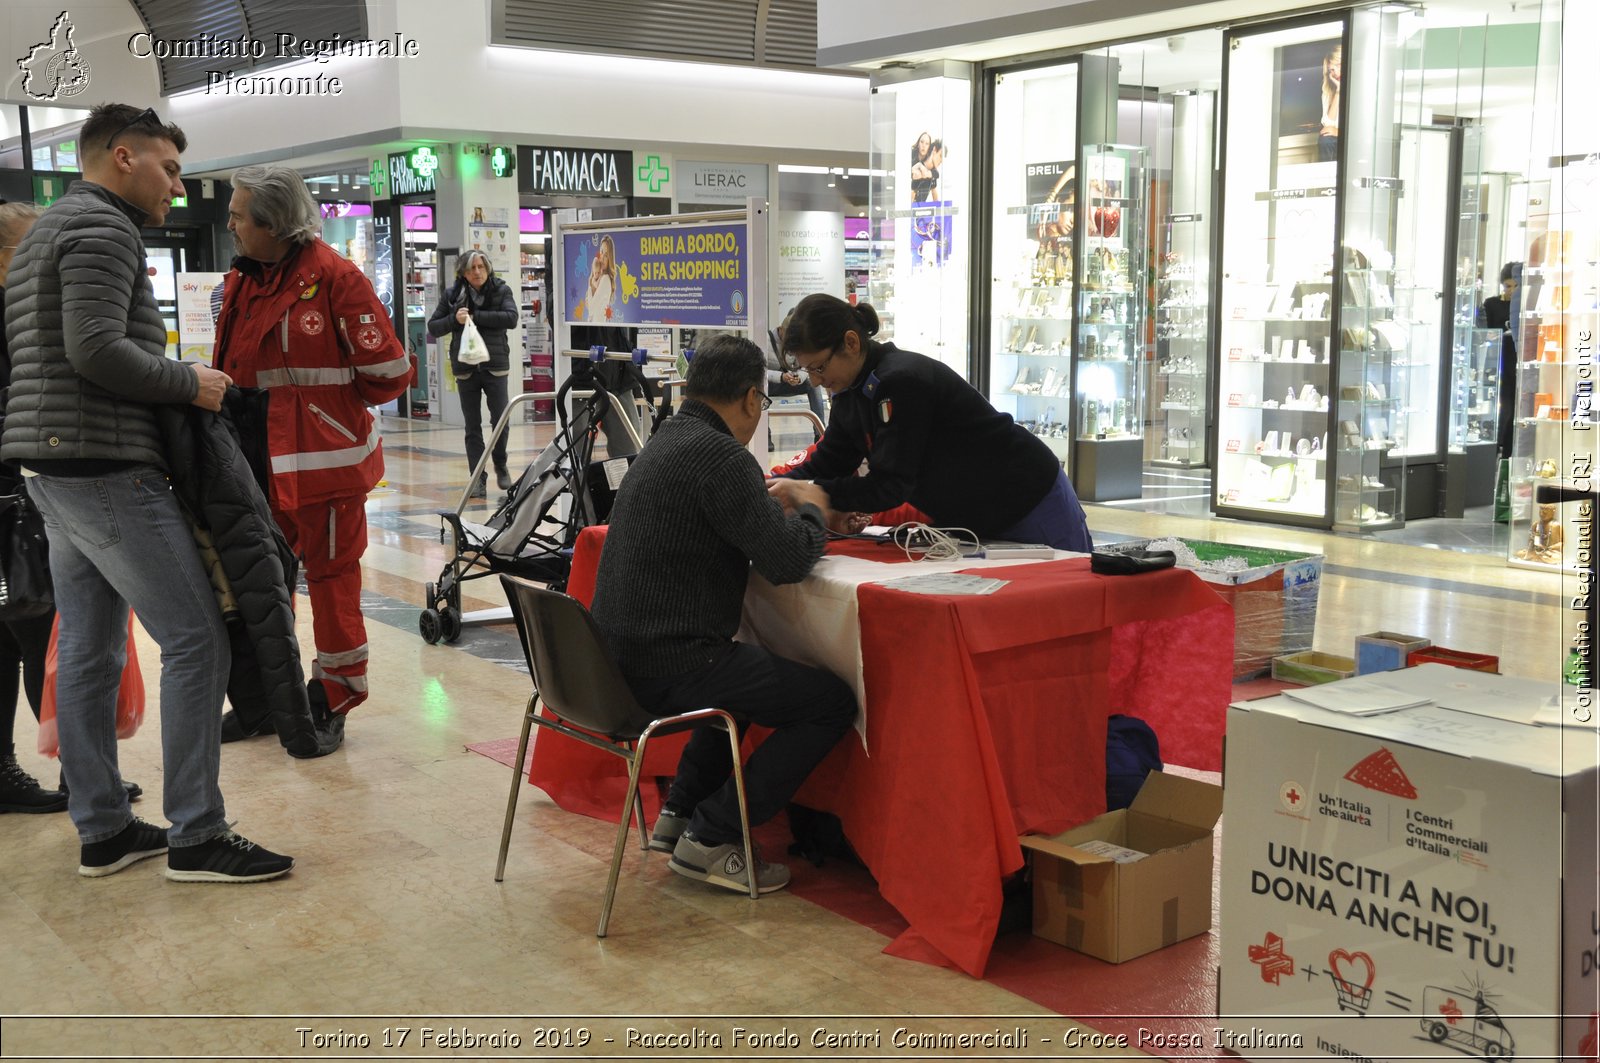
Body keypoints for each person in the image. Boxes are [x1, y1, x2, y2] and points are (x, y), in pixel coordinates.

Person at [1, 102, 291, 880]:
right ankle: (197, 831)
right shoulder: (103, 228)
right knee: (197, 637)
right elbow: (95, 348)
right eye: (167, 168)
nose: (177, 185)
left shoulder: (43, 236)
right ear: (121, 157)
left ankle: (103, 826)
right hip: (104, 465)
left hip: (50, 467)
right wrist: (190, 382)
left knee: (89, 647)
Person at [589, 335, 856, 895]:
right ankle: (714, 834)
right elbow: (786, 561)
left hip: (610, 664)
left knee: (743, 679)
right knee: (830, 703)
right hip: (669, 664)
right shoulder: (721, 457)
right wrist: (812, 509)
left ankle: (681, 812)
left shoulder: (667, 440)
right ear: (755, 401)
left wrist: (766, 505)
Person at [214, 164, 412, 733]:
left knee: (332, 586)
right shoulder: (242, 278)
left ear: (274, 223)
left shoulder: (337, 278)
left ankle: (334, 697)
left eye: (238, 214)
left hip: (325, 468)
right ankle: (270, 699)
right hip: (253, 463)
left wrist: (319, 409)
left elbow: (390, 373)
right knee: (262, 585)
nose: (230, 224)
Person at [776, 293, 1093, 551]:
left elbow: (891, 485)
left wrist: (820, 494)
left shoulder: (900, 382)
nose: (816, 382)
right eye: (809, 371)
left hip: (1030, 498)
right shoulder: (851, 390)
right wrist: (777, 488)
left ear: (851, 343)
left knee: (1069, 613)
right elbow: (831, 460)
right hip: (975, 514)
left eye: (819, 367)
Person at [0, 200, 67, 814]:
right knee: (40, 630)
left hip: (16, 497)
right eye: (31, 250)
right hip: (14, 504)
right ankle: (82, 772)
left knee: (17, 634)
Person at [427, 250, 519, 495]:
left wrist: (476, 317)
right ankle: (477, 477)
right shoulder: (452, 295)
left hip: (495, 366)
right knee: (472, 426)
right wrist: (454, 320)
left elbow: (511, 318)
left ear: (487, 268)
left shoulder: (501, 290)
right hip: (466, 369)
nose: (477, 272)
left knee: (501, 419)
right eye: (471, 269)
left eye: (480, 267)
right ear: (463, 273)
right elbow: (433, 327)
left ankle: (500, 464)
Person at [1478, 262, 1522, 457]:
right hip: (1497, 363)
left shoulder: (1524, 306)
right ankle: (1493, 447)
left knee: (1513, 407)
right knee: (1500, 406)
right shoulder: (1492, 304)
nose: (1511, 290)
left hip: (1516, 363)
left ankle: (1508, 452)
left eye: (1515, 286)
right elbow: (1484, 334)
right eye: (1507, 286)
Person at [584, 234, 617, 323]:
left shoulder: (605, 280)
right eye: (601, 252)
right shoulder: (599, 278)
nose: (602, 257)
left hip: (598, 330)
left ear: (610, 259)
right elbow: (587, 303)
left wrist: (590, 284)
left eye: (606, 255)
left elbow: (590, 308)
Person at [1319, 43, 1342, 163]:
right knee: (1325, 139)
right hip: (1336, 140)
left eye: (1339, 65)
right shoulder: (1328, 92)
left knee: (1327, 140)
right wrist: (1338, 92)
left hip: (1353, 140)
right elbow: (1328, 124)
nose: (1336, 72)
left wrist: (1338, 132)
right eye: (1332, 70)